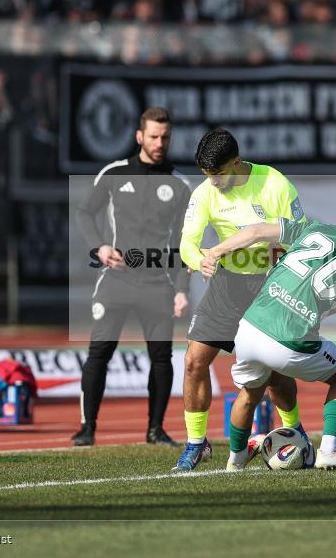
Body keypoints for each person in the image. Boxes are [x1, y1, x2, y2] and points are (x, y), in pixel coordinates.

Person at [198, 201, 336, 471]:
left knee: (249, 393)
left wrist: (214, 252)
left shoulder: (317, 227)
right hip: (289, 340)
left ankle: (236, 459)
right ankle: (329, 451)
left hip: (249, 327)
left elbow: (255, 232)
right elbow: (329, 307)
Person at [173, 127, 307, 471]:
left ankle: (296, 431)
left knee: (276, 373)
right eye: (206, 175)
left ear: (236, 162)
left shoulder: (274, 183)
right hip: (226, 287)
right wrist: (197, 259)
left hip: (269, 287)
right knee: (193, 362)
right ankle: (196, 443)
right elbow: (187, 242)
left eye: (217, 174)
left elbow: (303, 234)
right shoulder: (204, 193)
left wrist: (283, 251)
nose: (212, 182)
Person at [72, 107, 191, 447]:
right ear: (139, 136)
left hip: (158, 284)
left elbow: (185, 242)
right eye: (153, 136)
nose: (159, 142)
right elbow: (84, 212)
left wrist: (182, 289)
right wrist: (99, 248)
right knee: (99, 353)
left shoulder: (180, 185)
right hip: (117, 281)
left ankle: (155, 430)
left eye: (165, 137)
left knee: (161, 358)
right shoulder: (114, 173)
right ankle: (87, 427)